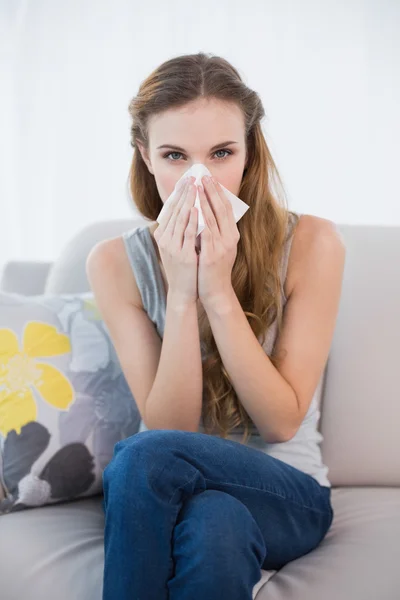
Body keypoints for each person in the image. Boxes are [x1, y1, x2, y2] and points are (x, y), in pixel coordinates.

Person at [86, 51, 346, 600]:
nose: (198, 179)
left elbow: (279, 423)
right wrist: (180, 292)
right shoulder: (113, 264)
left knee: (139, 455)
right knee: (214, 525)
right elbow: (170, 424)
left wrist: (216, 290)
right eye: (175, 155)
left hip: (287, 495)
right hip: (173, 494)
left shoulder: (313, 244)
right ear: (146, 157)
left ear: (249, 155)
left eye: (222, 153)